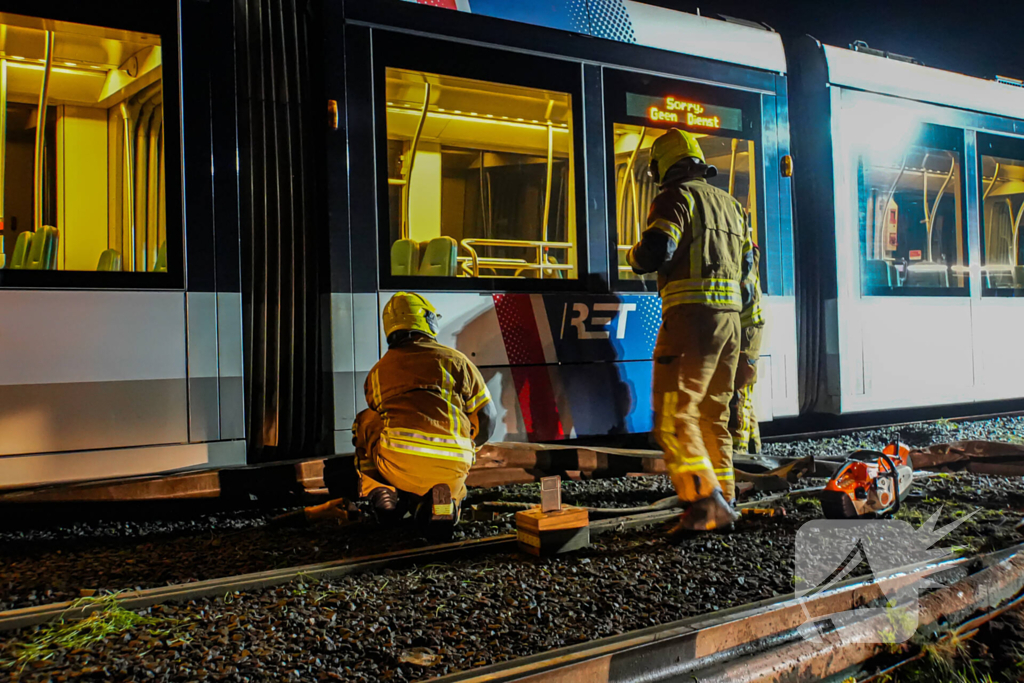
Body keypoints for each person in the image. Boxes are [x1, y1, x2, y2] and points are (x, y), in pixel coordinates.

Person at [626, 127, 756, 534]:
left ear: (663, 167)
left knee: (673, 415)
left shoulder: (674, 197)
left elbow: (656, 251)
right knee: (713, 415)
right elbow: (749, 274)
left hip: (691, 320)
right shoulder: (734, 206)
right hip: (731, 324)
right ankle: (725, 496)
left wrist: (632, 255)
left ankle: (703, 502)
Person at [353, 292, 497, 537]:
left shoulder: (377, 373)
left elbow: (379, 416)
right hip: (453, 464)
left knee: (366, 420)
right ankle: (446, 502)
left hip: (398, 465)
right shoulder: (457, 361)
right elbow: (488, 418)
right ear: (428, 321)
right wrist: (470, 446)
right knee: (456, 468)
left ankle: (381, 490)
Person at [731, 243, 765, 455]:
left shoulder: (746, 274)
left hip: (747, 332)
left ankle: (739, 450)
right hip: (748, 330)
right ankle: (754, 447)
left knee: (740, 391)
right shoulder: (748, 269)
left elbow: (742, 299)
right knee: (746, 393)